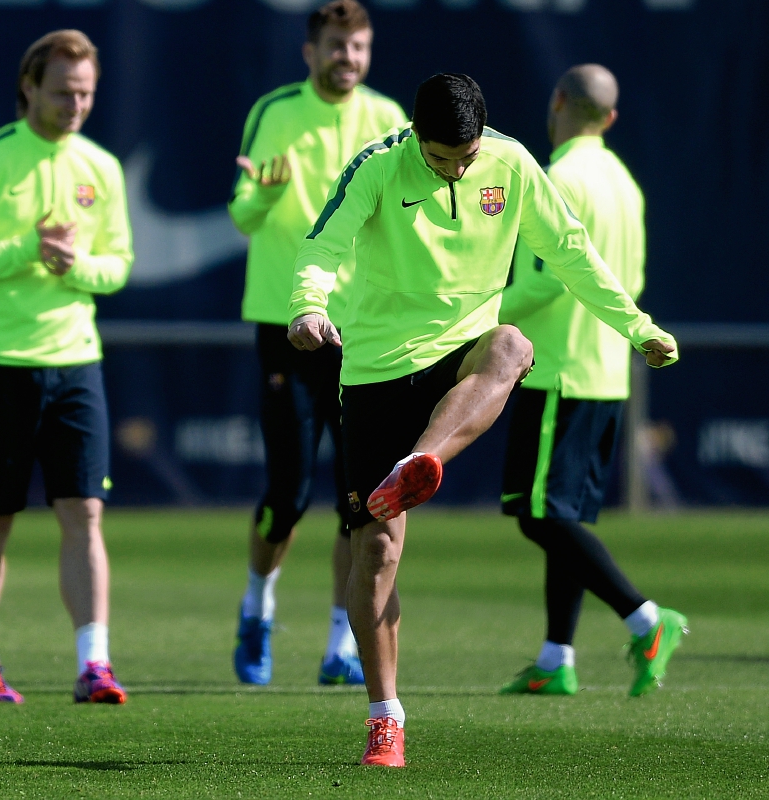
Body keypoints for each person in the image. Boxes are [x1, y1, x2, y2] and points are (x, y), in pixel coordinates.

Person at [287, 73, 677, 767]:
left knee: (513, 344)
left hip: (458, 355)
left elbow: (571, 252)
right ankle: (386, 719)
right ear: (416, 135)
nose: (456, 168)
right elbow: (321, 245)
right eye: (442, 159)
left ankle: (422, 462)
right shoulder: (379, 165)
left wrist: (636, 326)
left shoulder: (513, 162)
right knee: (376, 553)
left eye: (465, 156)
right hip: (377, 371)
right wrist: (309, 305)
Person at [0, 30, 132, 706]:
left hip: (76, 365)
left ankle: (93, 663)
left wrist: (77, 266)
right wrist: (22, 250)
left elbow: (118, 266)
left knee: (85, 513)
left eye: (86, 93)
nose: (75, 104)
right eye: (64, 91)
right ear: (29, 88)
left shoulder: (102, 166)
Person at [228, 0, 408, 689]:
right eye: (337, 45)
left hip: (364, 329)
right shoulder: (276, 111)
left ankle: (341, 641)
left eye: (359, 46)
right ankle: (258, 606)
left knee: (357, 499)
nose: (349, 58)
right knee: (287, 493)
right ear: (311, 51)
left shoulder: (391, 119)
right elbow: (241, 213)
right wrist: (264, 197)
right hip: (285, 323)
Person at [498, 65, 687, 698]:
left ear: (557, 102)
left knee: (538, 515)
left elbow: (552, 277)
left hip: (559, 368)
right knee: (565, 516)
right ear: (609, 117)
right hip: (607, 370)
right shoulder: (623, 183)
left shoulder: (561, 177)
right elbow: (626, 275)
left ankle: (646, 618)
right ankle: (556, 659)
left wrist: (485, 312)